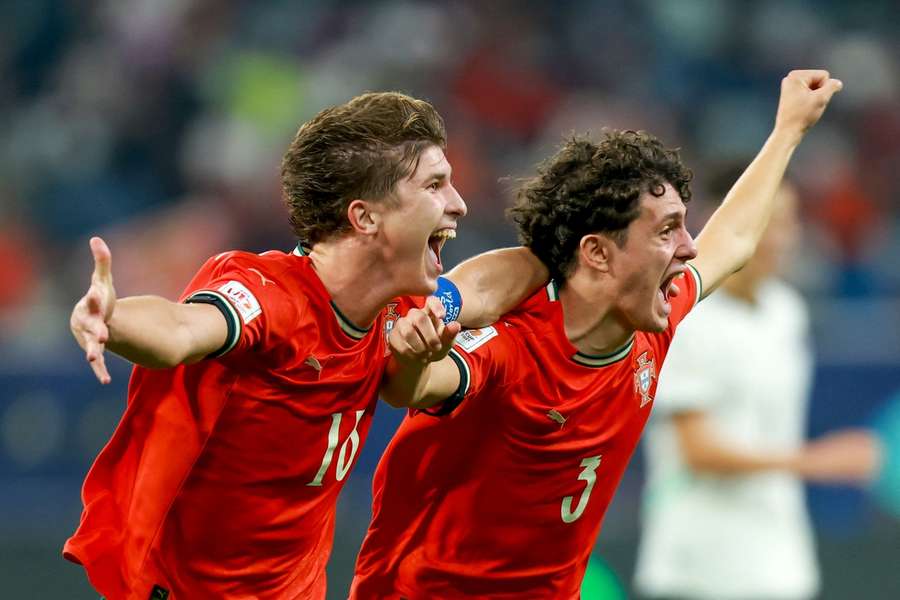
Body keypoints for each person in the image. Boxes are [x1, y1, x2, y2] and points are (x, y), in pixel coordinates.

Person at [349, 70, 843, 599]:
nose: (689, 248)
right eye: (665, 231)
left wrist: (789, 130)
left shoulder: (652, 321)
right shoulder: (513, 345)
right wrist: (418, 351)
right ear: (598, 253)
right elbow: (411, 387)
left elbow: (734, 239)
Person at [64, 92, 548, 600]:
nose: (459, 202)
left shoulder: (397, 306)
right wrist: (109, 318)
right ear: (364, 218)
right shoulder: (271, 295)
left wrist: (561, 247)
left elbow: (481, 289)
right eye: (434, 184)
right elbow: (181, 330)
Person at [632, 174, 881, 600]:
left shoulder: (787, 311)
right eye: (768, 221)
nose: (780, 238)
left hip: (779, 563)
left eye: (788, 222)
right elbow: (698, 451)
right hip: (697, 567)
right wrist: (817, 461)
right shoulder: (684, 317)